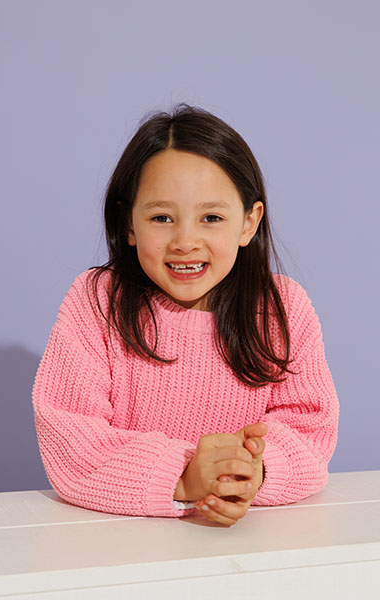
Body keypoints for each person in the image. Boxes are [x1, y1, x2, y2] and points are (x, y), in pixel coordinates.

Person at [32, 103, 339, 526]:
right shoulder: (97, 301)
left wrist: (251, 473)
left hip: (247, 546)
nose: (185, 241)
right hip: (119, 542)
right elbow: (70, 437)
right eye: (162, 218)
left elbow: (310, 428)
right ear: (129, 223)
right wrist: (184, 476)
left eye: (211, 217)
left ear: (249, 223)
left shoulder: (281, 308)